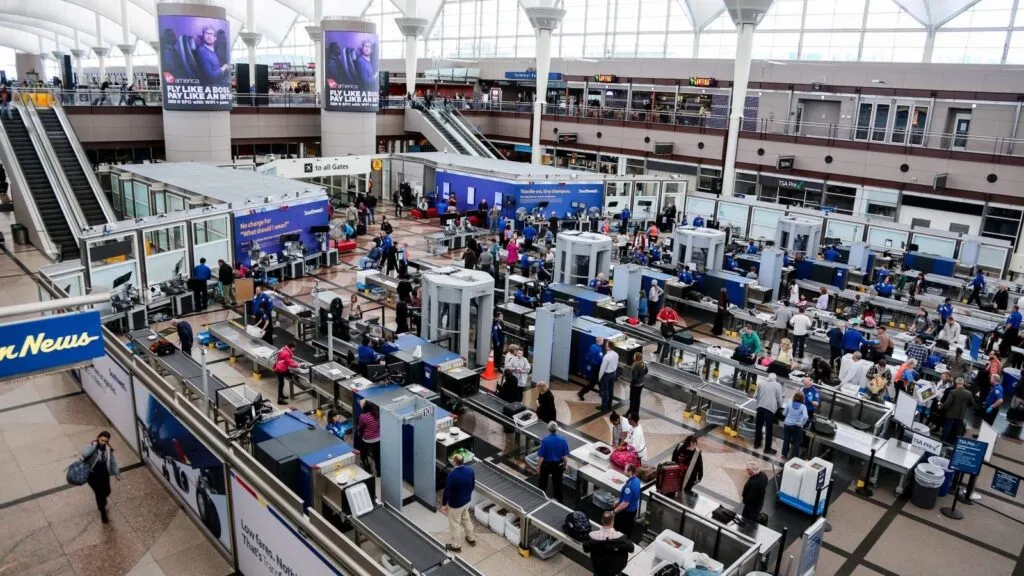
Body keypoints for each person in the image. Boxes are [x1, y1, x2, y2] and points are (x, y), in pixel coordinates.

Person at [81, 431, 121, 524]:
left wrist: (116, 473)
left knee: (107, 491)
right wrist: (92, 446)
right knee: (99, 494)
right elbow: (83, 454)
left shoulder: (108, 449)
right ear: (98, 437)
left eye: (105, 441)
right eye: (102, 440)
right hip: (93, 476)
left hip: (104, 475)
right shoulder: (92, 446)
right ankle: (102, 511)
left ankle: (103, 500)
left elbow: (112, 462)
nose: (103, 442)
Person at [441, 453, 477, 552]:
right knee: (466, 519)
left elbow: (447, 491)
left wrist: (444, 504)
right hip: (467, 501)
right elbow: (473, 484)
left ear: (454, 462)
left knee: (455, 524)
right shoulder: (470, 470)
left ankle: (456, 546)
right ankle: (471, 538)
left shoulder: (452, 475)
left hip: (456, 504)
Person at [583, 512, 633, 576]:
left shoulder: (592, 536)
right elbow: (631, 548)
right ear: (613, 521)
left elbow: (585, 548)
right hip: (614, 570)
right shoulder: (621, 537)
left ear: (602, 521)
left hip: (599, 569)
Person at [536, 422, 569, 502]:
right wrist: (565, 465)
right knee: (557, 483)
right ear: (557, 429)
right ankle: (558, 500)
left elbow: (541, 457)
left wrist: (538, 466)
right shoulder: (563, 440)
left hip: (546, 465)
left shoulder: (545, 440)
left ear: (548, 429)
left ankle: (540, 497)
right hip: (558, 465)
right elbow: (565, 456)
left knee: (543, 482)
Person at [754, 373, 784, 454]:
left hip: (760, 407)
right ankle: (767, 449)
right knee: (769, 429)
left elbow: (755, 396)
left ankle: (756, 444)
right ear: (775, 378)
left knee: (758, 426)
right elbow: (779, 400)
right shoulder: (777, 385)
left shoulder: (761, 383)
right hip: (769, 409)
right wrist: (780, 406)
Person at [940, 378, 974, 443]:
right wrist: (965, 406)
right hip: (960, 415)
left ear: (956, 383)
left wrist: (941, 407)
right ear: (963, 384)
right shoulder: (969, 393)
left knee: (947, 429)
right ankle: (953, 443)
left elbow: (947, 403)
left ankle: (943, 442)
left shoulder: (953, 392)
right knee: (957, 431)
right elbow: (972, 404)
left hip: (951, 414)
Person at [612, 464, 642, 536]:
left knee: (620, 529)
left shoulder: (629, 487)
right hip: (633, 509)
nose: (624, 471)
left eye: (625, 470)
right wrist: (618, 501)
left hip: (626, 512)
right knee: (629, 527)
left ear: (630, 472)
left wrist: (614, 511)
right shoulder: (637, 480)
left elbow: (625, 504)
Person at [781, 391, 809, 458]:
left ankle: (784, 455)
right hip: (797, 426)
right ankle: (794, 458)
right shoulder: (803, 407)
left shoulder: (789, 403)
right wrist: (802, 423)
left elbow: (784, 413)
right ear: (802, 399)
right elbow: (806, 416)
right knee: (797, 443)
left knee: (786, 441)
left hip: (787, 425)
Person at [357, 401, 381, 476]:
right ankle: (379, 472)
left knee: (362, 450)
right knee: (377, 456)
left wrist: (360, 436)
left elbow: (361, 428)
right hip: (378, 439)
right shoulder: (377, 414)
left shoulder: (363, 416)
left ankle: (366, 466)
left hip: (368, 440)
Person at [599, 340, 620, 411]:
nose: (605, 345)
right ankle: (609, 404)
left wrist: (599, 377)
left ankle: (604, 406)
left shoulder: (606, 357)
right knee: (611, 389)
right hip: (613, 373)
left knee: (604, 391)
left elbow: (602, 368)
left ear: (608, 347)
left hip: (606, 375)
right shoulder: (616, 354)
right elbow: (617, 364)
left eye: (606, 345)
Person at [628, 352, 647, 419]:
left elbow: (634, 377)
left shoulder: (636, 365)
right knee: (637, 399)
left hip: (635, 385)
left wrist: (631, 383)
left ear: (635, 358)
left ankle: (630, 413)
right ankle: (636, 412)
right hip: (641, 384)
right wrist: (641, 377)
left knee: (632, 399)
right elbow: (646, 371)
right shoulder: (643, 363)